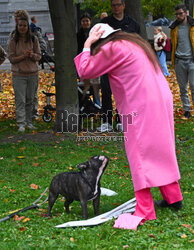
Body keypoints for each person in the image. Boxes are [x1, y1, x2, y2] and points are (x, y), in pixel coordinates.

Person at [74, 23, 183, 229]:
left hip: (140, 103)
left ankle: (145, 209)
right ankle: (173, 197)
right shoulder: (133, 42)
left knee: (139, 153)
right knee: (162, 149)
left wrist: (88, 44)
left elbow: (85, 70)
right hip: (161, 97)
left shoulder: (111, 48)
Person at [98, 0, 140, 132]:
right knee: (106, 91)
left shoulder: (132, 23)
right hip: (108, 62)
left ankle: (122, 120)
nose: (116, 8)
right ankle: (106, 121)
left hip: (126, 63)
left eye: (118, 5)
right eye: (113, 5)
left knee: (124, 93)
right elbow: (99, 42)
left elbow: (138, 43)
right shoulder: (105, 23)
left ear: (123, 6)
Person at [8, 17, 41, 132]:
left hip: (33, 73)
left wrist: (32, 56)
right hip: (19, 74)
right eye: (20, 25)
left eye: (25, 25)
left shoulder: (34, 39)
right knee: (20, 100)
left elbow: (39, 56)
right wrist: (23, 56)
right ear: (17, 27)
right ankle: (21, 123)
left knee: (30, 99)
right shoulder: (14, 40)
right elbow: (11, 58)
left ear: (28, 27)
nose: (22, 27)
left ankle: (29, 122)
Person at [169, 4, 194, 119]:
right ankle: (187, 109)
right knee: (182, 88)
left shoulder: (192, 26)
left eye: (180, 13)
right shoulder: (174, 27)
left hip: (192, 61)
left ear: (186, 13)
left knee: (193, 86)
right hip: (179, 61)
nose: (178, 16)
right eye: (177, 14)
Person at [77, 13, 101, 106]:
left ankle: (97, 105)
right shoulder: (78, 35)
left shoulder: (94, 34)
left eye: (87, 21)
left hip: (94, 62)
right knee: (84, 84)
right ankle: (84, 105)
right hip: (83, 62)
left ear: (90, 22)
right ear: (81, 23)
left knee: (95, 84)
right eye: (83, 21)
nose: (85, 23)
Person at [30, 16, 47, 119]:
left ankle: (34, 113)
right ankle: (23, 116)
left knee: (33, 92)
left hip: (33, 66)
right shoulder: (15, 34)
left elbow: (43, 46)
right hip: (20, 69)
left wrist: (34, 52)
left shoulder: (35, 32)